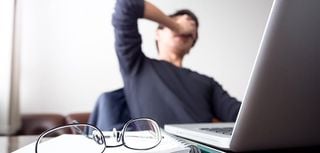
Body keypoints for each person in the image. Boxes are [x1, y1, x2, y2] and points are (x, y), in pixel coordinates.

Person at [112, 0, 241, 127]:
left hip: (202, 147)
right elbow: (127, 4)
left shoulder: (207, 83)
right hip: (159, 146)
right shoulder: (137, 65)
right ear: (158, 34)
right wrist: (175, 25)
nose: (188, 26)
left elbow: (239, 114)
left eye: (192, 29)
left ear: (192, 44)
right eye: (179, 20)